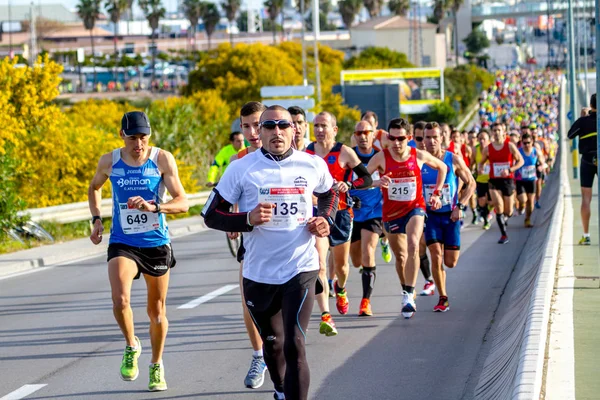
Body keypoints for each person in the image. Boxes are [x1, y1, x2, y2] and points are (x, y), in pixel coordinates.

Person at [202, 105, 339, 400]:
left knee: (295, 345)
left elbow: (329, 193)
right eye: (269, 126)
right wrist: (246, 220)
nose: (277, 131)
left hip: (300, 267)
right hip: (259, 273)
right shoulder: (241, 169)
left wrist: (324, 218)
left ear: (294, 130)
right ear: (259, 132)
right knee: (274, 345)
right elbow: (211, 215)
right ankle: (279, 389)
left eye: (283, 125)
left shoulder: (311, 164)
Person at [88, 111, 189, 392]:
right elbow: (94, 187)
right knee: (120, 300)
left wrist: (154, 206)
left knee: (156, 311)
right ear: (122, 135)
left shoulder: (162, 159)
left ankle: (156, 365)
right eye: (133, 138)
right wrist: (96, 219)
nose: (139, 144)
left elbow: (183, 202)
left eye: (143, 138)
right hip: (123, 242)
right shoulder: (110, 161)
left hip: (156, 243)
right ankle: (132, 344)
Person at [367, 118, 447, 319]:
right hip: (392, 213)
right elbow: (360, 181)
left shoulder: (418, 155)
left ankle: (409, 296)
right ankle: (406, 289)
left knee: (413, 245)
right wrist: (377, 182)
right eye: (392, 138)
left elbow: (442, 168)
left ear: (409, 138)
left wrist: (436, 193)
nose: (396, 143)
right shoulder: (380, 158)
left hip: (415, 208)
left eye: (401, 138)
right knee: (401, 257)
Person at [307, 111, 373, 315]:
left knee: (342, 266)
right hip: (316, 214)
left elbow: (367, 179)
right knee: (320, 265)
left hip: (342, 213)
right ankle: (325, 313)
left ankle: (341, 288)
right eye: (316, 125)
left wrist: (349, 184)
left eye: (323, 126)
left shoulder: (344, 152)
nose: (319, 130)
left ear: (334, 130)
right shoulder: (306, 153)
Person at [227, 101, 270, 389]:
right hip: (253, 243)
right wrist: (233, 217)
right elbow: (229, 196)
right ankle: (258, 356)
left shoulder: (291, 156)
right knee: (248, 301)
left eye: (258, 124)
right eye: (246, 126)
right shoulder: (237, 161)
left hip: (292, 245)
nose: (253, 131)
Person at [289, 105, 338, 336]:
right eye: (292, 123)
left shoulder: (312, 157)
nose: (296, 127)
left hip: (311, 219)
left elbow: (328, 191)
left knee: (320, 263)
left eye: (300, 123)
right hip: (282, 227)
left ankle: (326, 315)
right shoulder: (271, 156)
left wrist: (324, 217)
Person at [422, 122, 475, 312]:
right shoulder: (419, 160)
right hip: (431, 217)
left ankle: (442, 290)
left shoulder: (452, 159)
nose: (431, 141)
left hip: (451, 216)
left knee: (450, 262)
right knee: (435, 255)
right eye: (427, 137)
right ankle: (443, 297)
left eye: (435, 137)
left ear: (442, 138)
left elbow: (471, 183)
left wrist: (460, 205)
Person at [348, 120, 387, 316]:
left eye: (367, 132)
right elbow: (346, 181)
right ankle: (344, 279)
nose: (363, 136)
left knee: (368, 251)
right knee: (356, 261)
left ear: (373, 135)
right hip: (353, 211)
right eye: (359, 133)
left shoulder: (380, 156)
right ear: (354, 135)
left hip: (374, 212)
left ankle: (365, 301)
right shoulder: (349, 156)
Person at [478, 122, 524, 244]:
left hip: (507, 180)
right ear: (492, 133)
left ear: (503, 132)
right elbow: (481, 162)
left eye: (499, 130)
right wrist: (480, 167)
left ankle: (505, 218)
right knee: (498, 206)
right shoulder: (488, 149)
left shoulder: (510, 146)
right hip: (494, 181)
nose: (497, 133)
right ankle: (504, 235)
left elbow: (521, 161)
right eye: (494, 131)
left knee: (508, 211)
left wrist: (510, 170)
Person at [567, 94, 598, 245]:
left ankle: (586, 236)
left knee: (586, 198)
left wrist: (582, 117)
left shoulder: (583, 121)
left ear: (590, 105)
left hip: (587, 160)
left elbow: (570, 135)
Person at [411, 122, 436, 296]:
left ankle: (438, 276)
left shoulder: (436, 158)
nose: (423, 142)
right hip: (418, 208)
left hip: (439, 208)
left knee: (438, 250)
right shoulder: (411, 157)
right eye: (419, 139)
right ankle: (429, 280)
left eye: (425, 138)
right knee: (419, 244)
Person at [515, 133, 546, 227]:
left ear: (532, 142)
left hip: (531, 179)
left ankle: (527, 219)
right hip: (520, 179)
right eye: (524, 143)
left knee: (531, 202)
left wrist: (541, 166)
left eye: (528, 143)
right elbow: (512, 162)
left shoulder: (536, 151)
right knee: (523, 199)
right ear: (522, 143)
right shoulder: (518, 152)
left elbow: (543, 163)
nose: (527, 145)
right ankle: (521, 207)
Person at [471, 129, 494, 230]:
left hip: (491, 179)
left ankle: (488, 211)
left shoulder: (492, 149)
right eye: (479, 139)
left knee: (492, 201)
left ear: (488, 140)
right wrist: (472, 171)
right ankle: (486, 221)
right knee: (481, 202)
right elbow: (472, 163)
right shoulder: (475, 149)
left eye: (484, 139)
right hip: (480, 179)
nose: (481, 141)